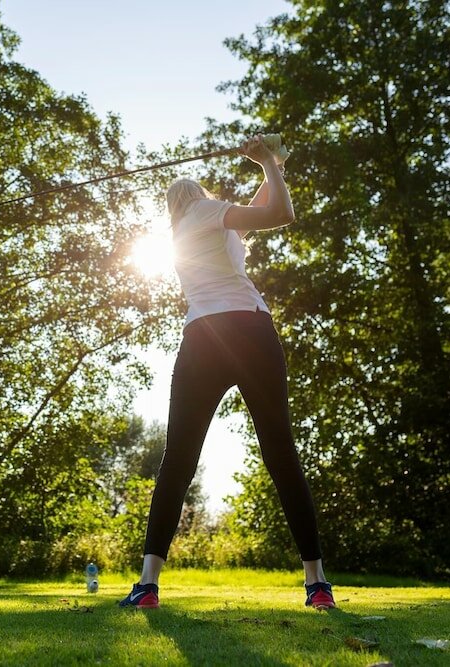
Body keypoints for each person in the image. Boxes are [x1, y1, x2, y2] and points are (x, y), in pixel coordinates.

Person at [118, 135, 335, 611]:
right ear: (195, 196)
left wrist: (271, 163)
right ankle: (317, 584)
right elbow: (282, 213)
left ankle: (148, 585)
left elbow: (264, 204)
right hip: (251, 331)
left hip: (204, 340)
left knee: (177, 459)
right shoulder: (208, 213)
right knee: (280, 452)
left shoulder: (200, 230)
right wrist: (267, 162)